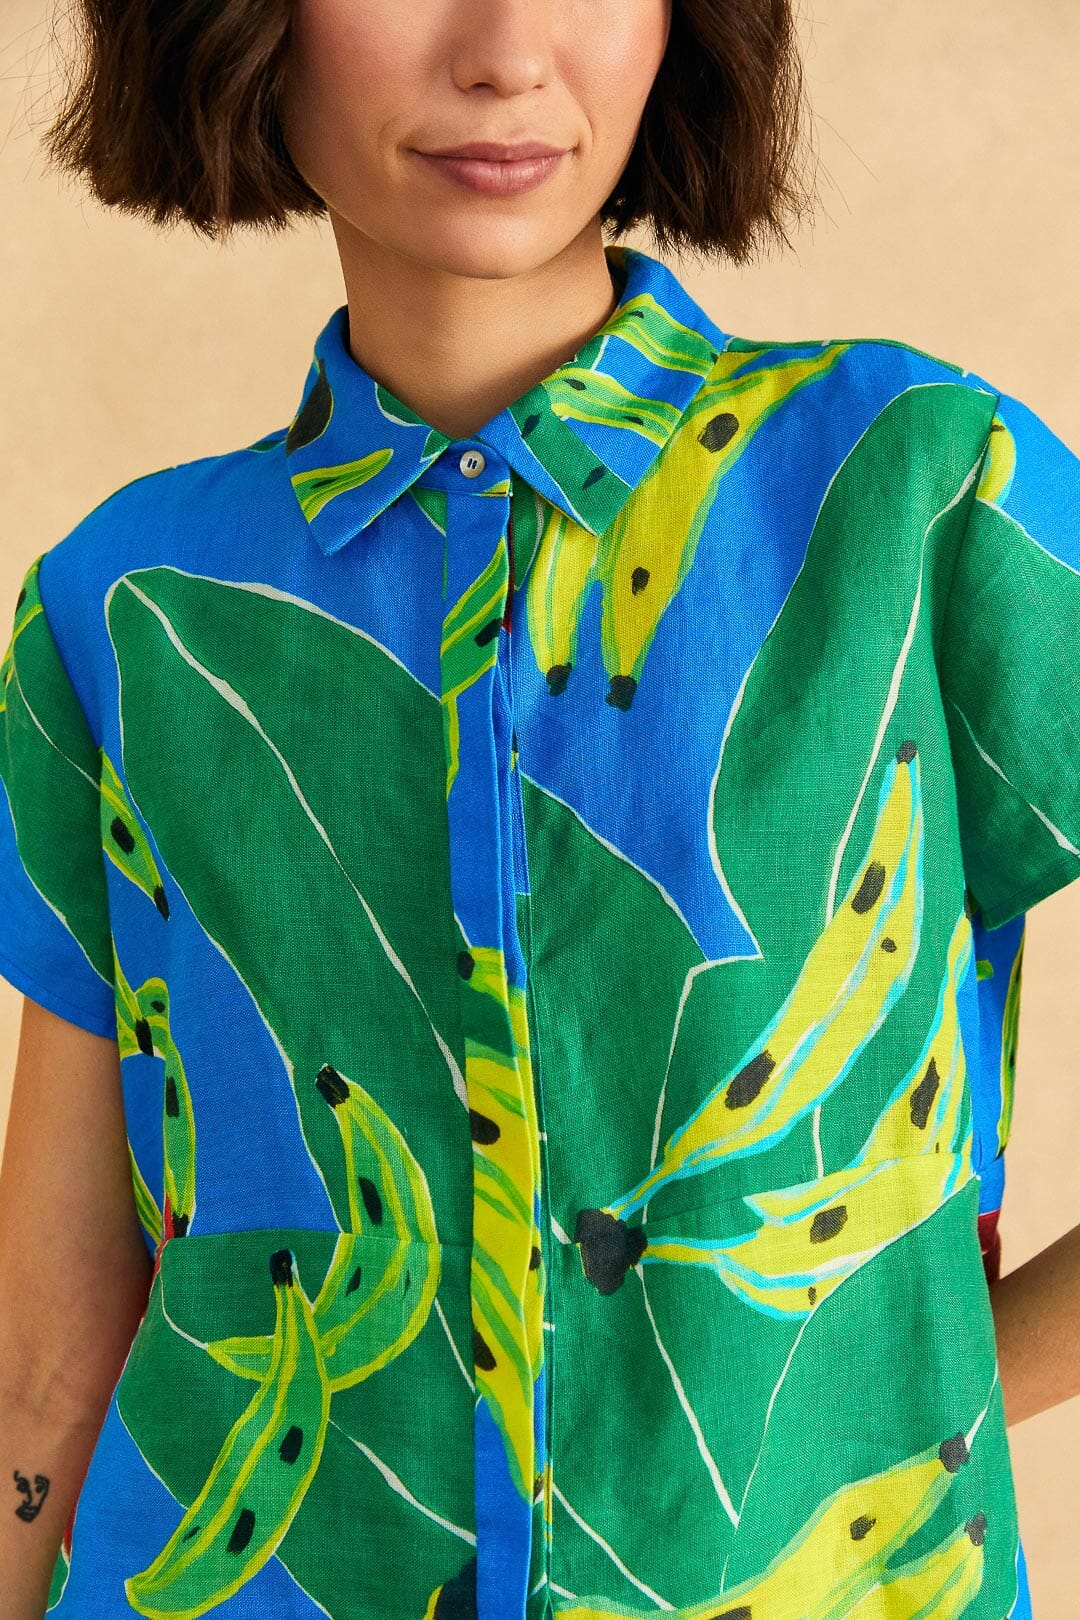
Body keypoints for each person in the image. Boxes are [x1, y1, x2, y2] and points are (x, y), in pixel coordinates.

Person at [0, 0, 1077, 1615]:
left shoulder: (919, 489)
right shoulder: (127, 607)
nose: (507, 53)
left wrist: (914, 1388)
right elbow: (48, 1339)